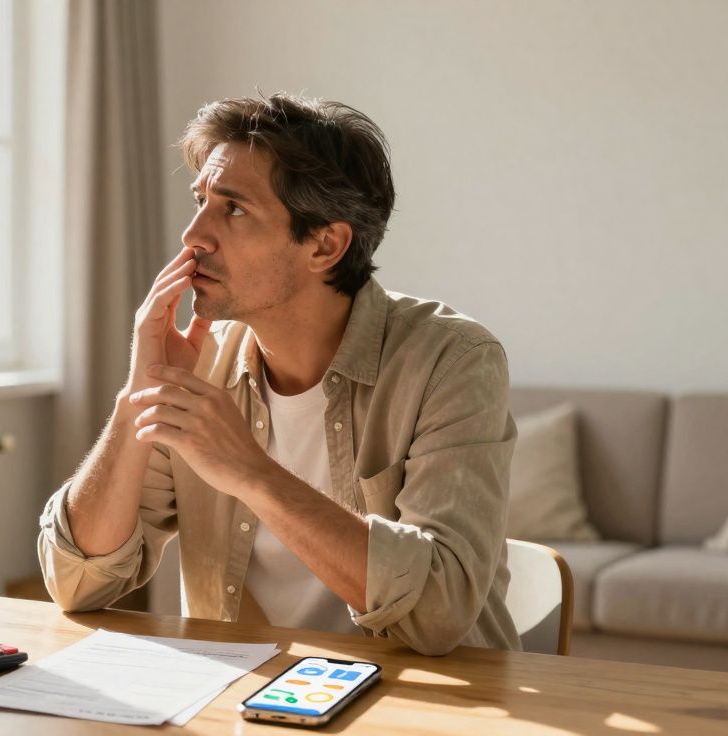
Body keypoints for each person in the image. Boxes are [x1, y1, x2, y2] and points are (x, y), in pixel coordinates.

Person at [38, 94, 520, 655]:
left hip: (432, 701)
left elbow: (440, 608)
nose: (193, 236)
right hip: (246, 698)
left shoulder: (453, 359)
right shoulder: (201, 366)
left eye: (233, 209)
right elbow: (79, 583)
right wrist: (140, 391)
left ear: (324, 245)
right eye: (200, 201)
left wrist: (250, 471)